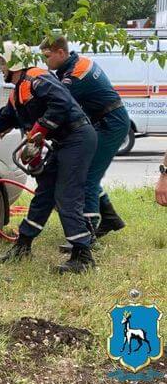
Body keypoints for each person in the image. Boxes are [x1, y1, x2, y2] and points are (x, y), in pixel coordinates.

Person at [0, 41, 98, 274]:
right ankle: (23, 245)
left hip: (79, 138)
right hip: (65, 142)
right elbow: (2, 119)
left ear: (15, 63)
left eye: (3, 63)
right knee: (44, 194)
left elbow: (60, 104)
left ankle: (83, 255)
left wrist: (37, 132)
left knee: (66, 194)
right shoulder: (19, 91)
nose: (0, 68)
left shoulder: (36, 79)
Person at [40, 36, 129, 250]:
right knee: (89, 173)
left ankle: (87, 235)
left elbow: (58, 106)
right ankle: (109, 218)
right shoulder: (74, 65)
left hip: (110, 123)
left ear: (61, 53)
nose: (45, 62)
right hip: (104, 121)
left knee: (86, 177)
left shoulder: (76, 75)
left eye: (47, 56)